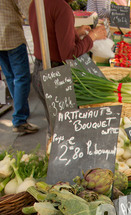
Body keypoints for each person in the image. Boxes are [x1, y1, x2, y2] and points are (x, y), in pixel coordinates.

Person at [29, 0, 107, 134]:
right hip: (55, 75)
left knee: (55, 126)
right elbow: (69, 54)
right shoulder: (62, 7)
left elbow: (50, 33)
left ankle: (51, 149)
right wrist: (93, 36)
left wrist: (75, 32)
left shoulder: (36, 3)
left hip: (39, 71)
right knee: (66, 131)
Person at [0, 0, 39, 136]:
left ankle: (20, 110)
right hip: (12, 35)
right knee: (22, 77)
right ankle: (20, 120)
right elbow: (29, 8)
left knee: (10, 76)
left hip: (1, 37)